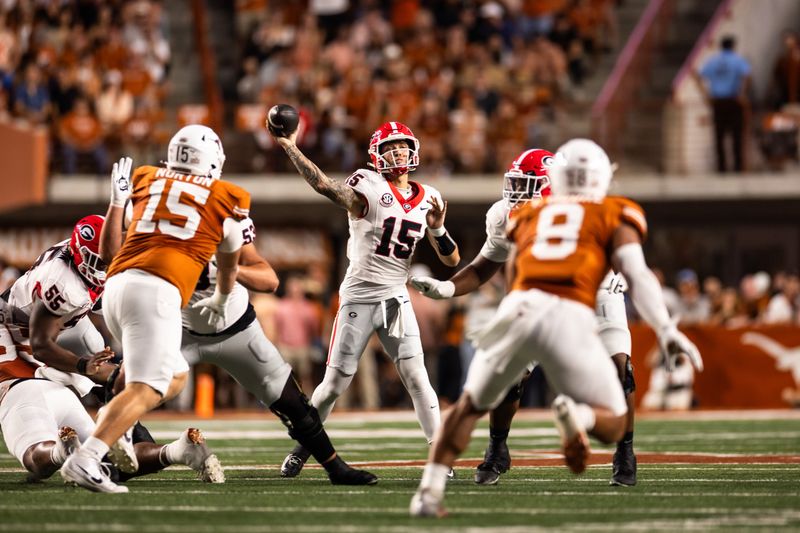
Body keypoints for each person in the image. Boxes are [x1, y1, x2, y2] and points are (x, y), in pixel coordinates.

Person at [409, 139, 703, 518]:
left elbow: (508, 271)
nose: (516, 194)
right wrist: (665, 327)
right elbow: (639, 275)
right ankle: (577, 419)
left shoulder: (525, 218)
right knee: (610, 410)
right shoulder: (613, 211)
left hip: (539, 303)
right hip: (573, 307)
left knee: (468, 405)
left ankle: (428, 494)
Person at [99, 164, 378, 486]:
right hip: (180, 330)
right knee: (122, 385)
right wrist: (117, 203)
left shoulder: (225, 220)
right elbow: (111, 257)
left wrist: (227, 270)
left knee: (293, 404)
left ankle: (335, 467)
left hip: (237, 331)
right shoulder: (152, 224)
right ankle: (119, 457)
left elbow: (269, 279)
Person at [411, 148, 640, 486]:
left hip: (596, 293)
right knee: (508, 373)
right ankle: (497, 447)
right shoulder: (505, 215)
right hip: (540, 297)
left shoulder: (590, 211)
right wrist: (446, 289)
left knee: (620, 369)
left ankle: (625, 450)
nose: (516, 193)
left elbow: (625, 251)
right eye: (515, 183)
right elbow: (486, 264)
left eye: (526, 185)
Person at [60, 124, 249, 493]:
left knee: (175, 376)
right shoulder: (227, 198)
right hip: (155, 292)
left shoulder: (148, 182)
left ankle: (121, 426)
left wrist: (117, 202)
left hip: (117, 288)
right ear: (212, 161)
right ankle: (87, 457)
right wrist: (223, 300)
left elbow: (109, 253)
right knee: (147, 387)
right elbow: (229, 266)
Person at [271, 120, 460, 478]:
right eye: (390, 147)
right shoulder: (368, 184)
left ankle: (439, 456)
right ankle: (303, 447)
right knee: (333, 386)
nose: (398, 152)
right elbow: (325, 186)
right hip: (358, 298)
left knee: (418, 378)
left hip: (395, 297)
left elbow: (452, 259)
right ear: (377, 155)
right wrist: (290, 147)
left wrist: (437, 228)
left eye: (402, 145)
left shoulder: (429, 196)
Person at [0, 218, 223, 484]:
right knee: (96, 368)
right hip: (22, 331)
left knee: (110, 374)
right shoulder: (63, 284)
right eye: (100, 261)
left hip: (60, 324)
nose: (106, 266)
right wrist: (82, 366)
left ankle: (141, 434)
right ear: (81, 253)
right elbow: (41, 345)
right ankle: (147, 437)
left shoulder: (96, 260)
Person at [694, 35, 752, 173]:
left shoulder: (713, 61)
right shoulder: (737, 60)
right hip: (733, 100)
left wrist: (706, 96)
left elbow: (697, 76)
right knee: (736, 136)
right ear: (733, 46)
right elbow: (747, 76)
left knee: (718, 136)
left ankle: (722, 168)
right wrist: (742, 94)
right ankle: (738, 167)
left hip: (717, 102)